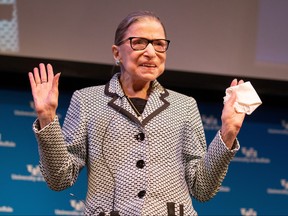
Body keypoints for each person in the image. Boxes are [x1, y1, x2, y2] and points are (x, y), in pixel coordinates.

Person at [28, 10, 245, 216]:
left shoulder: (184, 106)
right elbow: (60, 179)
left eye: (159, 44)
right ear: (117, 53)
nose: (150, 52)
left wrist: (228, 132)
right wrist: (47, 118)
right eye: (139, 42)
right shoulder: (87, 100)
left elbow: (202, 188)